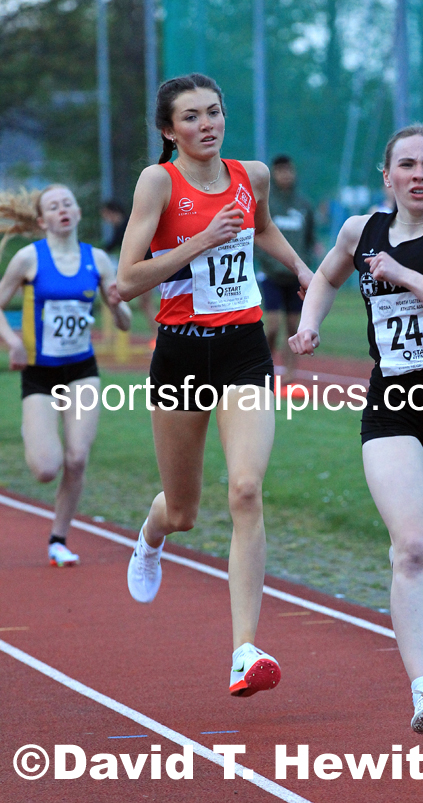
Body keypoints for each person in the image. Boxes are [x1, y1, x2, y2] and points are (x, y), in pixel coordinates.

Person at [289, 124, 423, 735]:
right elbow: (326, 277)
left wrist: (405, 276)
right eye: (406, 165)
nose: (418, 175)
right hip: (392, 402)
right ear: (387, 176)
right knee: (411, 548)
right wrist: (309, 325)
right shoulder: (360, 231)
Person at [116, 74, 313, 697]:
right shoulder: (159, 182)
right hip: (179, 354)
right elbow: (127, 279)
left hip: (243, 350)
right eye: (193, 117)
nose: (208, 124)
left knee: (247, 490)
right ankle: (151, 537)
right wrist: (201, 240)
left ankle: (243, 650)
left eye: (215, 113)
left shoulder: (250, 174)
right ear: (168, 130)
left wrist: (304, 271)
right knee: (184, 511)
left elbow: (260, 230)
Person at [0, 185, 131, 566]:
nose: (62, 210)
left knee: (77, 459)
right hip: (40, 373)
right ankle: (35, 428)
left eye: (68, 203)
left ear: (77, 212)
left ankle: (59, 538)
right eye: (53, 206)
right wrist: (13, 344)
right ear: (42, 221)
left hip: (82, 371)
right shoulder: (28, 258)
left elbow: (123, 323)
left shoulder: (99, 260)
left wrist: (119, 307)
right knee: (45, 468)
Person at [255, 155, 315, 394]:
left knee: (293, 326)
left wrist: (305, 264)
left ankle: (291, 373)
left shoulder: (303, 204)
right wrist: (268, 262)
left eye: (289, 171)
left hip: (294, 278)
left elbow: (310, 240)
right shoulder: (267, 204)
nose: (285, 176)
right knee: (271, 326)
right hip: (271, 275)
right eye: (280, 172)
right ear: (273, 174)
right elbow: (258, 234)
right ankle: (265, 366)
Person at [101, 199, 157, 336]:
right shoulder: (125, 224)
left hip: (146, 266)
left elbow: (111, 245)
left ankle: (158, 335)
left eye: (106, 216)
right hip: (146, 265)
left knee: (146, 303)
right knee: (145, 303)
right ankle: (157, 334)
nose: (106, 220)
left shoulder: (124, 226)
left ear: (112, 212)